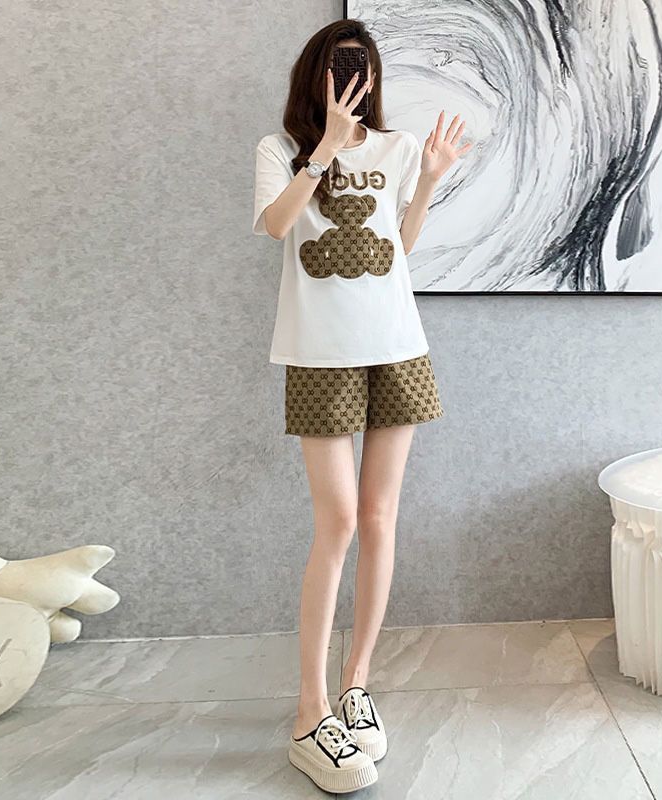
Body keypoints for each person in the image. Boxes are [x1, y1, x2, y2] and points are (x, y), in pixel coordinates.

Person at [252, 18, 472, 793]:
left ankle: (356, 686)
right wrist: (322, 151)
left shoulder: (398, 148)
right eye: (340, 67)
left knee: (379, 519)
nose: (353, 81)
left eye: (364, 69)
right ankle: (308, 713)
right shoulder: (281, 150)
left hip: (397, 346)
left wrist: (430, 178)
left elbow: (398, 251)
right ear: (315, 75)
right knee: (338, 523)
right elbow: (278, 226)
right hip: (318, 354)